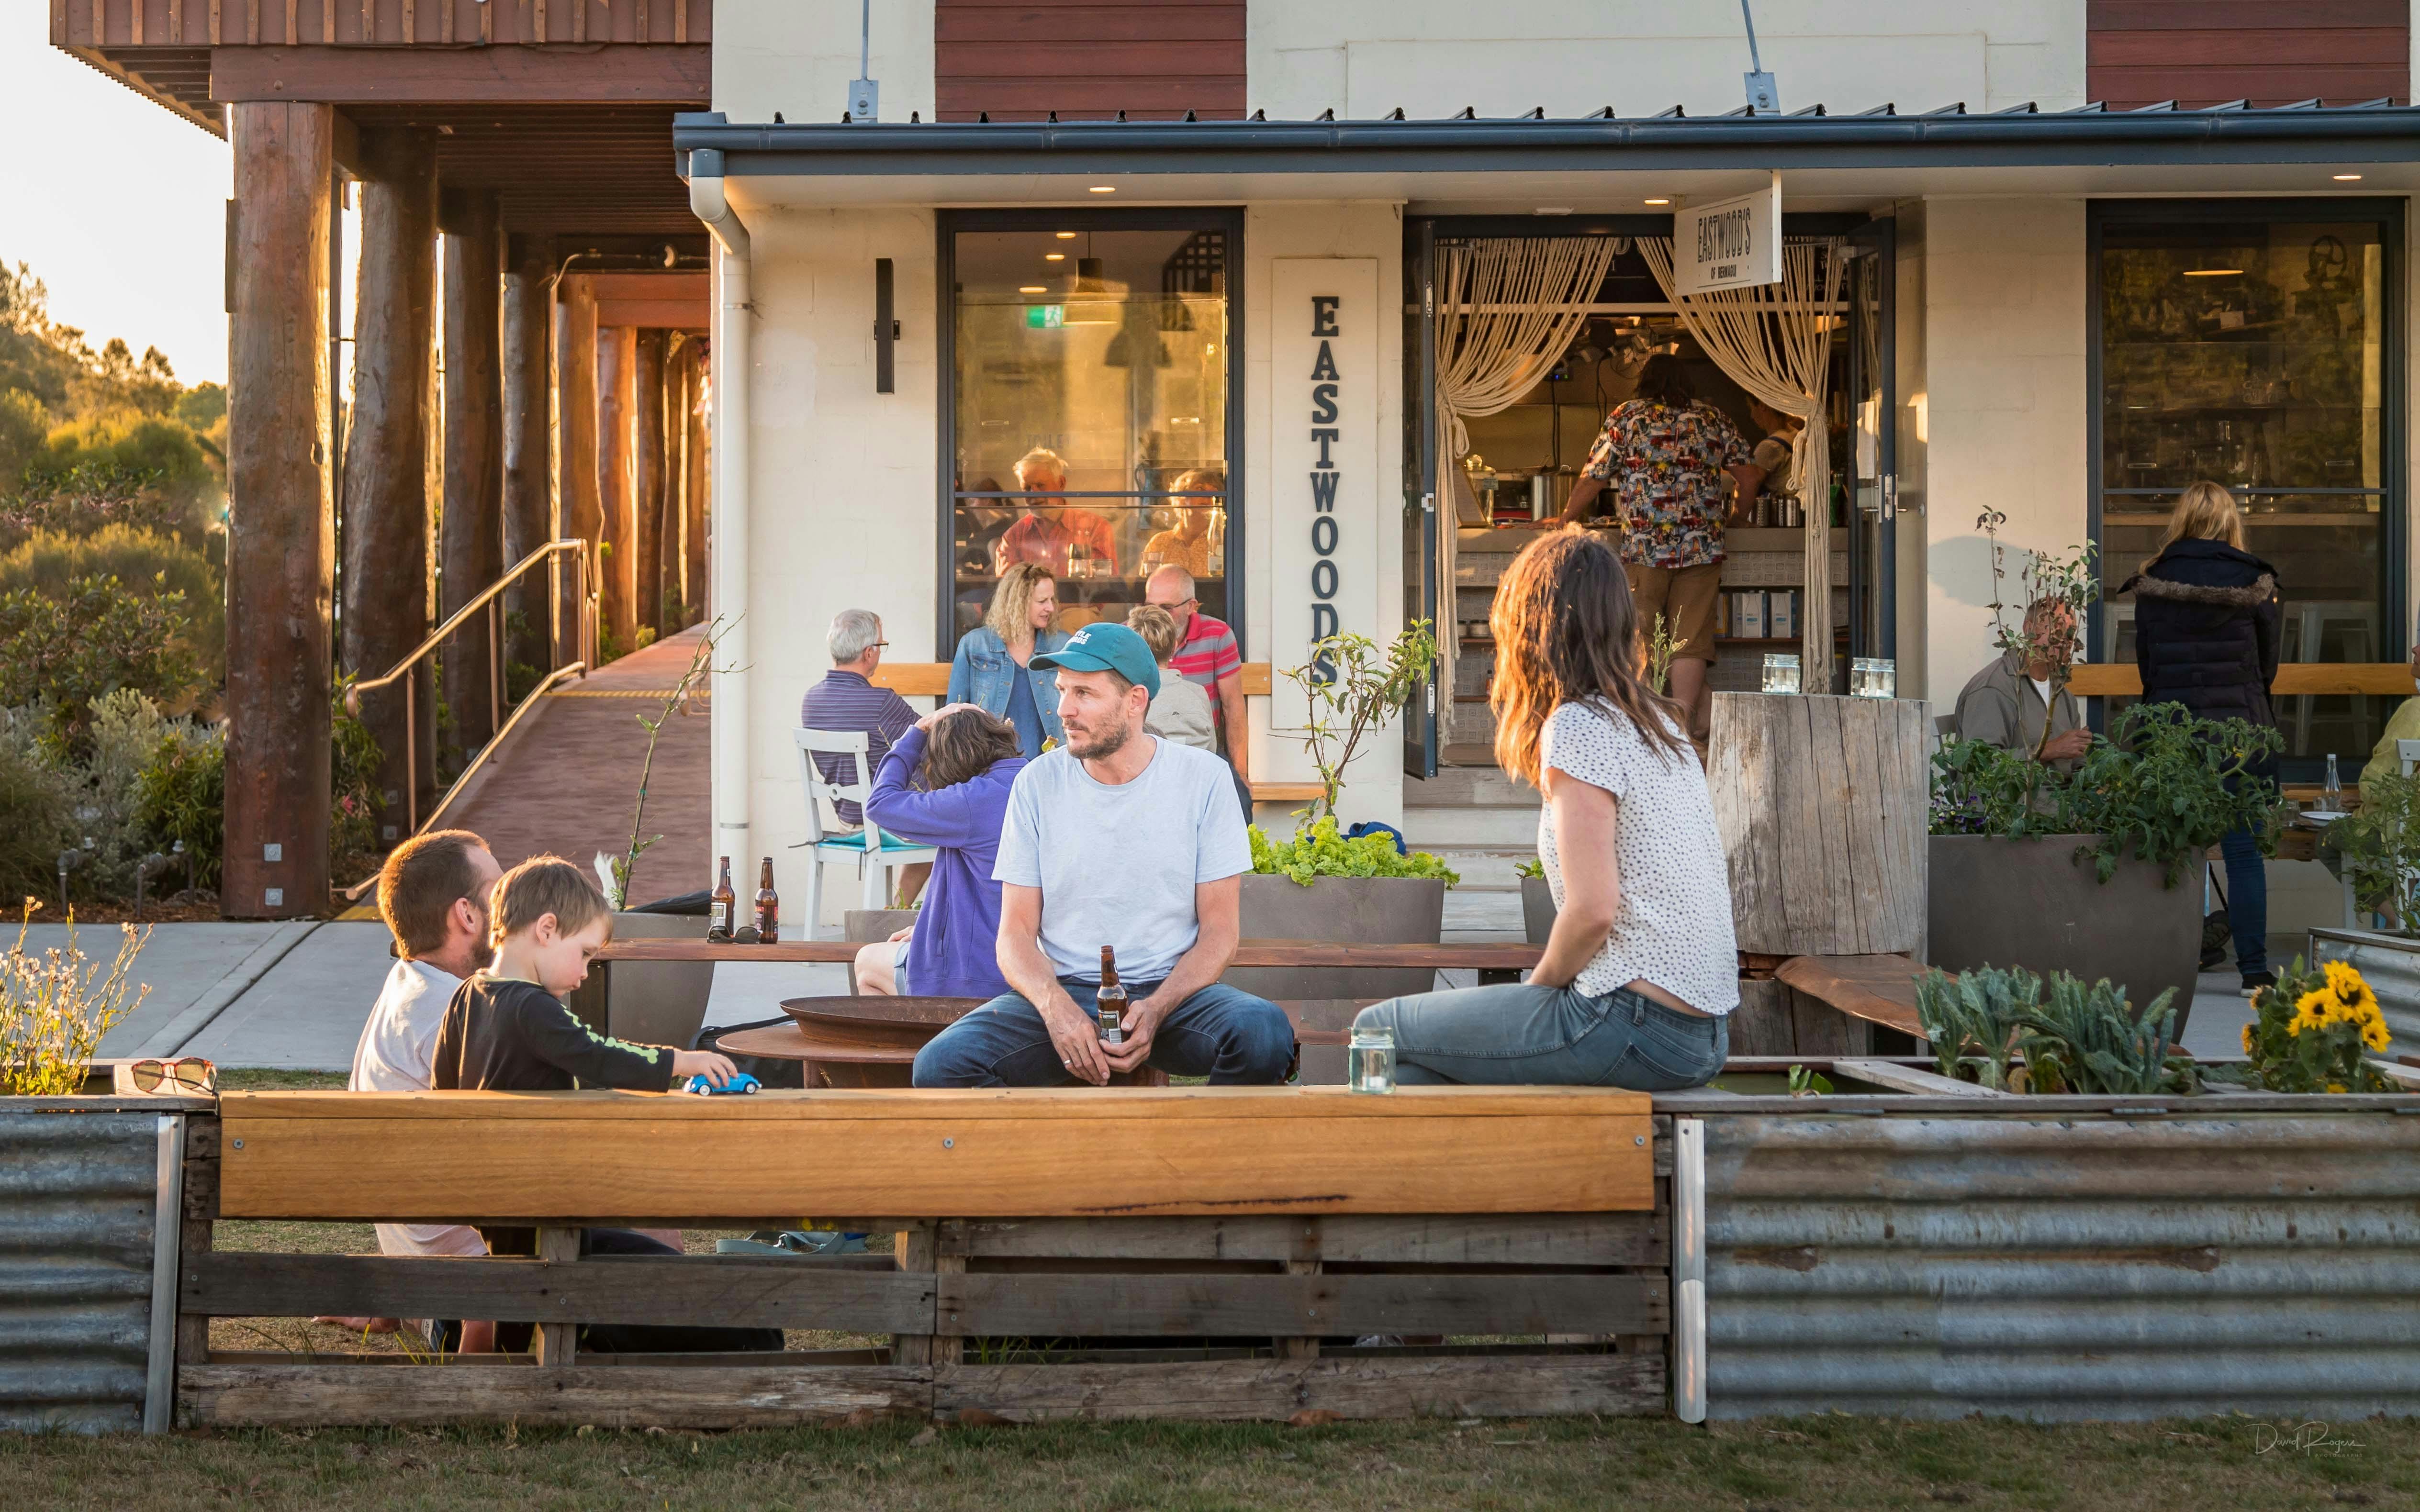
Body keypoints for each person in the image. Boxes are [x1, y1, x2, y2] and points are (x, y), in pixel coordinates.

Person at [1351, 528, 1737, 1088]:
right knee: (1413, 1070)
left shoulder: (1580, 725)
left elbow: (1593, 910)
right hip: (1700, 1033)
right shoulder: (1660, 727)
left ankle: (1355, 1170)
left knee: (1376, 1028)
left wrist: (1535, 994)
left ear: (1532, 627)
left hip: (1631, 1021)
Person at [911, 622, 1293, 1088]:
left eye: (1085, 693)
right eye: (1062, 690)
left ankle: (1195, 1156)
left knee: (1264, 1032)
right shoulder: (1036, 783)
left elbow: (1220, 932)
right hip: (1065, 988)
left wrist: (1156, 1009)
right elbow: (1014, 934)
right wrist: (1055, 1009)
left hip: (1171, 991)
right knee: (940, 1066)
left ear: (1135, 700)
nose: (1064, 709)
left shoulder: (1204, 780)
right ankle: (1056, 1158)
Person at [429, 856, 782, 1356]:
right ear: (547, 929)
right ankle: (509, 1371)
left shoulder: (466, 996)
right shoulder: (534, 1007)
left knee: (518, 1277)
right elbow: (598, 1054)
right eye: (587, 954)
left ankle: (487, 1355)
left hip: (489, 1194)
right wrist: (679, 1059)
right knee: (545, 1281)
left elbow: (439, 1090)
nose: (586, 973)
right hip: (537, 1197)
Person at [316, 829, 504, 1345]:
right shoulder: (454, 1014)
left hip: (430, 1286)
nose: (516, 903)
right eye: (502, 890)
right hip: (481, 1307)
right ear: (466, 915)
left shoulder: (410, 982)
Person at [2118, 479, 2283, 996]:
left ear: (2181, 520)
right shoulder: (2256, 581)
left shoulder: (2152, 581)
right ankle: (2253, 973)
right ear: (2229, 521)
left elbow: (2146, 665)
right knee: (2242, 852)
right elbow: (2267, 664)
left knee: (2172, 850)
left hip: (2172, 734)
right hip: (2241, 733)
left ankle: (2170, 962)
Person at [1553, 353, 1760, 743]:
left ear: (1644, 383)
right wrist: (1739, 515)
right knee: (1690, 639)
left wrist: (1565, 517)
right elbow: (1748, 476)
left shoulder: (1628, 416)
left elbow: (1595, 475)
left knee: (1640, 634)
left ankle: (1646, 728)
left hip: (1646, 548)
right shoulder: (1712, 418)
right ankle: (1681, 729)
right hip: (1702, 546)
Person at [852, 704, 1028, 1000]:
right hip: (1033, 964)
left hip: (979, 975)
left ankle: (913, 1046)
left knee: (867, 962)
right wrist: (932, 928)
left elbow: (880, 803)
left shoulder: (970, 801)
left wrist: (918, 732)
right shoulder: (1033, 780)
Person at [801, 608, 919, 828]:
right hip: (886, 822)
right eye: (882, 646)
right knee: (946, 834)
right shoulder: (882, 702)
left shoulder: (811, 701)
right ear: (869, 653)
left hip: (846, 822)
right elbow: (931, 741)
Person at [1952, 600, 2093, 769]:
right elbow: (1979, 763)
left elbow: (2076, 762)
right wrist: (2049, 750)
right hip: (2018, 795)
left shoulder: (2062, 694)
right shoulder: (1994, 688)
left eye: (2071, 632)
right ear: (2029, 629)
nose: (2065, 639)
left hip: (2060, 793)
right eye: (2058, 627)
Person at [949, 562, 1069, 757]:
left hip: (1050, 763)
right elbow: (954, 715)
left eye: (1052, 600)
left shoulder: (1062, 645)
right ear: (1018, 602)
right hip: (991, 764)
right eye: (1042, 601)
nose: (1051, 608)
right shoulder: (975, 645)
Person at [1143, 564, 1248, 784]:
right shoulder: (1134, 632)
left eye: (1166, 607)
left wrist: (1241, 776)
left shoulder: (1218, 636)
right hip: (1144, 753)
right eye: (1150, 607)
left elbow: (1233, 708)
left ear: (1191, 606)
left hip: (1201, 748)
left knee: (1240, 798)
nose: (1156, 616)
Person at [994, 446, 1120, 578]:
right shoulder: (1014, 536)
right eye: (1027, 488)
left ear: (1061, 483)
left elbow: (1106, 588)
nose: (1034, 494)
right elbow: (1008, 592)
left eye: (1040, 485)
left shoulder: (1096, 528)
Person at [1126, 605, 1217, 753]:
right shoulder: (1198, 693)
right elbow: (1212, 752)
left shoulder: (1130, 698)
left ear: (1132, 651)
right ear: (1174, 647)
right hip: (1196, 772)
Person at [1142, 469, 1224, 578]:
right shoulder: (1160, 543)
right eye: (1200, 489)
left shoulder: (1222, 541)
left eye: (1214, 491)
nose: (1209, 496)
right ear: (1181, 498)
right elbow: (1147, 585)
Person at [1739, 399, 1802, 514]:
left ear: (1763, 405)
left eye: (1752, 407)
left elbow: (1749, 486)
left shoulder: (1770, 447)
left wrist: (1737, 518)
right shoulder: (1796, 435)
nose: (1752, 415)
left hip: (1782, 517)